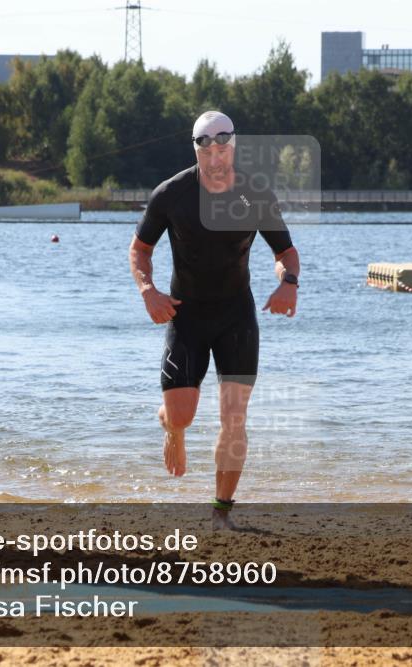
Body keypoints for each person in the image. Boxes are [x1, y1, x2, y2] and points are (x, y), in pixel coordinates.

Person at [128, 111, 300, 527]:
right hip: (185, 315)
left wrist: (288, 282)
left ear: (233, 147)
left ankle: (221, 512)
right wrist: (148, 292)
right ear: (197, 150)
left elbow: (285, 253)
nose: (218, 159)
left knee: (234, 417)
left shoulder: (255, 193)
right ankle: (173, 428)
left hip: (235, 316)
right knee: (182, 413)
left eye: (224, 149)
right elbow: (140, 250)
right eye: (209, 151)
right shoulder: (171, 194)